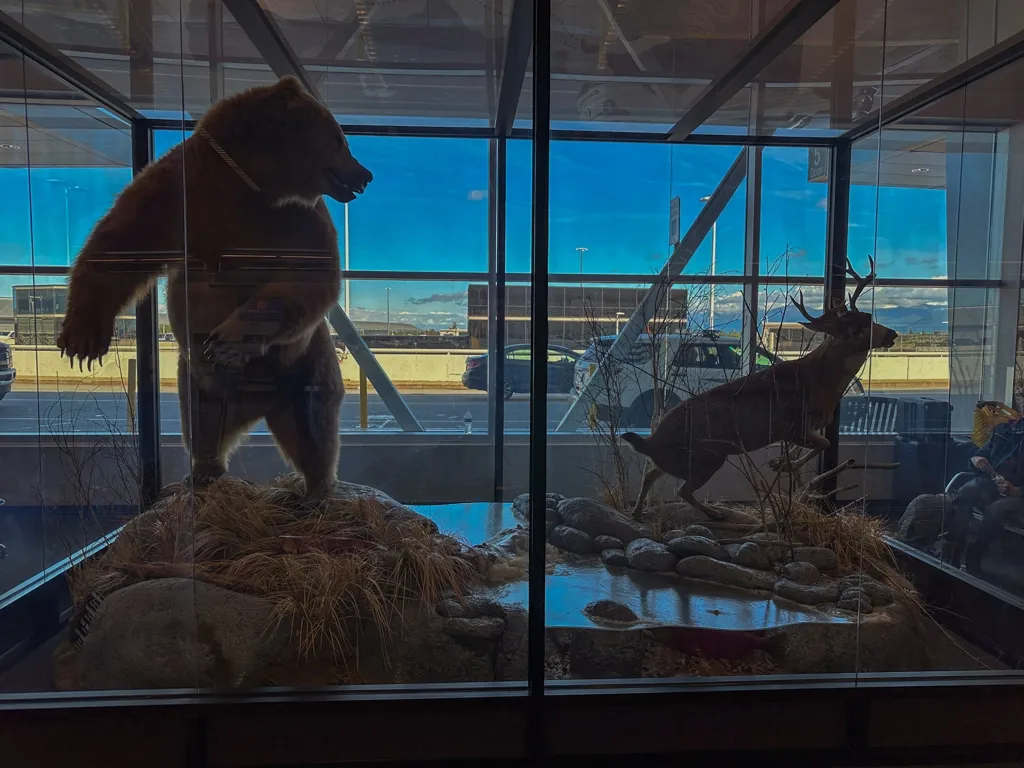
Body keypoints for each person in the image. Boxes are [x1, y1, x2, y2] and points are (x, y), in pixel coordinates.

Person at [948, 417, 1024, 574]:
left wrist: (1017, 491)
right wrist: (977, 460)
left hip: (1017, 493)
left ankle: (975, 552)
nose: (1021, 399)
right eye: (1018, 394)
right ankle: (954, 546)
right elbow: (981, 454)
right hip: (991, 482)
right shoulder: (1004, 429)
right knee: (964, 494)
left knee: (995, 511)